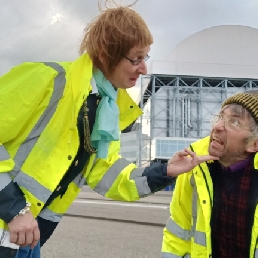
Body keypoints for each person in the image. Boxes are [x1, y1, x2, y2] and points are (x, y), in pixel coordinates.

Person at [0, 1, 217, 258]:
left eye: (144, 57)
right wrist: (14, 209)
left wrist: (166, 171)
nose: (144, 68)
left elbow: (109, 176)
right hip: (13, 219)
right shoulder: (47, 79)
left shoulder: (105, 111)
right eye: (136, 58)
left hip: (27, 236)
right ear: (106, 53)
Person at [161, 90, 258, 258]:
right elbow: (178, 230)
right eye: (220, 117)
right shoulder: (194, 167)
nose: (218, 126)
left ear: (254, 144)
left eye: (234, 122)